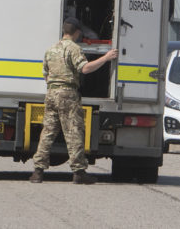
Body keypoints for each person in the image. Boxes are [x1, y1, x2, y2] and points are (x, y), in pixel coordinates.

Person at [29, 17, 118, 184]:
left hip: (51, 94)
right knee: (74, 132)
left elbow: (45, 75)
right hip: (68, 94)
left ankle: (38, 171)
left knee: (47, 132)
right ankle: (78, 172)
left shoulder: (51, 49)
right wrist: (106, 58)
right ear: (76, 32)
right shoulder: (74, 48)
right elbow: (85, 68)